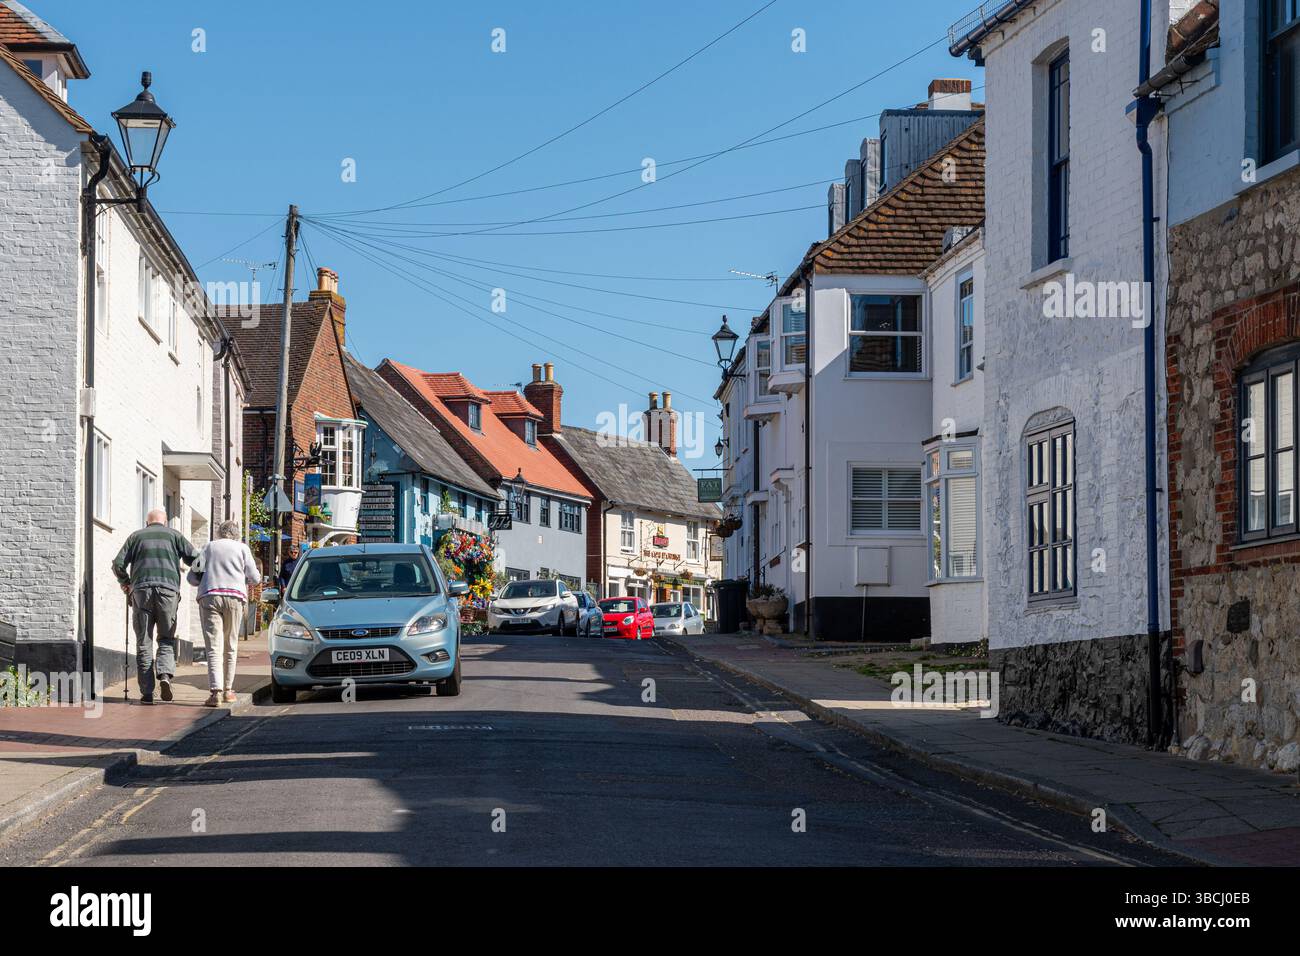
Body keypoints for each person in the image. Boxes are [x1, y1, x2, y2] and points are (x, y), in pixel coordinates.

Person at [111, 508, 198, 704]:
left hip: (141, 592)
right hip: (168, 592)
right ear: (165, 522)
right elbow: (196, 559)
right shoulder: (175, 536)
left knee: (144, 641)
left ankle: (147, 693)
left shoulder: (136, 536)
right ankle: (165, 675)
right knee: (166, 638)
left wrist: (126, 583)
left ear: (146, 522)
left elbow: (117, 564)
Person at [194, 520, 260, 707]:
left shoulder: (208, 547)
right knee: (230, 644)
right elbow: (255, 577)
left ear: (219, 532)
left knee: (213, 646)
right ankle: (229, 691)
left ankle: (215, 692)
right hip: (235, 597)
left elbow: (192, 576)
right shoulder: (242, 549)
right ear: (236, 533)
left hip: (210, 596)